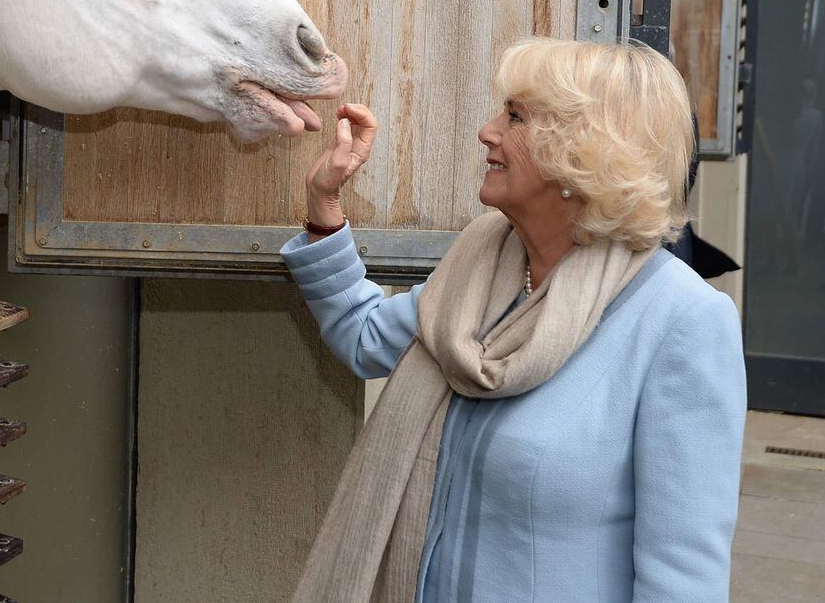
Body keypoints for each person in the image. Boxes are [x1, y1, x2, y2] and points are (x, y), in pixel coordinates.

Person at [281, 37, 746, 603]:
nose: (488, 130)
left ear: (587, 150)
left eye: (516, 116)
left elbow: (683, 578)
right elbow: (366, 338)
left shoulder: (682, 321)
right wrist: (324, 207)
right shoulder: (483, 266)